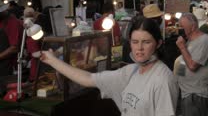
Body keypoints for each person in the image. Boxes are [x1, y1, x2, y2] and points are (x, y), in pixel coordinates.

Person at [40, 17, 179, 115]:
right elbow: (88, 78)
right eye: (135, 42)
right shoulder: (131, 71)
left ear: (158, 44)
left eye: (146, 42)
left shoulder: (163, 80)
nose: (140, 48)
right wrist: (52, 60)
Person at [174, 13, 208, 116]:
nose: (179, 29)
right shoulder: (189, 41)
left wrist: (182, 47)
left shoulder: (204, 41)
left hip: (196, 93)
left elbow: (192, 66)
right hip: (187, 92)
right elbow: (184, 60)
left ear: (192, 27)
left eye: (182, 26)